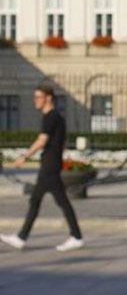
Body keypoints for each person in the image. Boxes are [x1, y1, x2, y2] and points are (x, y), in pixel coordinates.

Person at [0, 85, 84, 252]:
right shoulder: (54, 117)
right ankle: (74, 236)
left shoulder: (51, 117)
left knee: (46, 201)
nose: (35, 101)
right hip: (50, 163)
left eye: (38, 97)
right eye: (35, 97)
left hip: (50, 166)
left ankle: (24, 237)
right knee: (48, 201)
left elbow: (42, 140)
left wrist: (24, 156)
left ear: (48, 98)